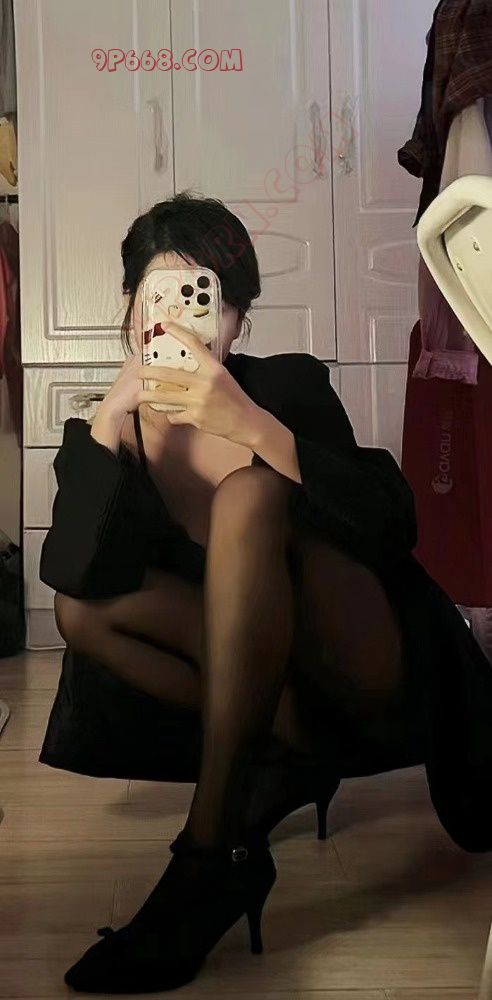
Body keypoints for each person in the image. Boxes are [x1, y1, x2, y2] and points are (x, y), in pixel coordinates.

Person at [39, 191, 491, 994]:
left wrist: (251, 426)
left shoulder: (284, 386)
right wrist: (109, 419)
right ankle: (284, 762)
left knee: (249, 495)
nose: (182, 321)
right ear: (130, 308)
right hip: (273, 695)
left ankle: (210, 853)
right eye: (161, 295)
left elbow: (394, 524)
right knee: (79, 609)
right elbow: (73, 573)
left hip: (370, 661)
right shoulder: (113, 436)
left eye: (206, 300)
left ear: (238, 320)